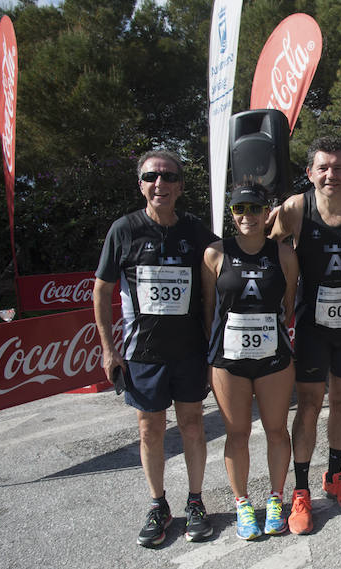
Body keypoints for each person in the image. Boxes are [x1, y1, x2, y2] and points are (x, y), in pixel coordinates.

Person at [93, 150, 217, 547]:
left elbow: (228, 262)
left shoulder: (196, 231)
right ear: (141, 184)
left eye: (168, 177)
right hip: (142, 352)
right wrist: (107, 348)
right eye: (151, 177)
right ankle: (158, 504)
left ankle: (196, 501)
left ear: (180, 186)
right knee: (150, 430)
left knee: (194, 425)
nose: (159, 183)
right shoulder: (124, 230)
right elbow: (102, 289)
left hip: (189, 350)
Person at [270, 137, 341, 534]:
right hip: (312, 326)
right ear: (310, 173)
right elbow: (261, 248)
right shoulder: (295, 209)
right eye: (323, 167)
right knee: (310, 404)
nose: (331, 174)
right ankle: (300, 491)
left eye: (338, 167)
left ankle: (334, 477)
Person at [201, 186, 298, 539]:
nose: (247, 215)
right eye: (240, 208)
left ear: (266, 211)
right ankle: (242, 502)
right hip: (229, 361)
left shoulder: (284, 254)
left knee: (276, 429)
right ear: (231, 212)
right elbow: (209, 309)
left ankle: (275, 498)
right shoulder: (215, 253)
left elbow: (287, 304)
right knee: (237, 433)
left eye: (255, 208)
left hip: (273, 357)